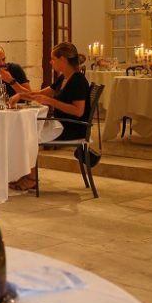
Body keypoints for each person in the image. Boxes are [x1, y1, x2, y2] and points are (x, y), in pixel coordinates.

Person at [9, 42, 90, 191]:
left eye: (53, 58)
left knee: (29, 134)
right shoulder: (63, 78)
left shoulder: (78, 80)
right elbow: (39, 94)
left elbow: (78, 111)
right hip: (61, 124)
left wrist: (50, 101)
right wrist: (20, 94)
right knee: (25, 131)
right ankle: (27, 174)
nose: (50, 62)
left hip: (72, 128)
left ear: (63, 60)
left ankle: (31, 178)